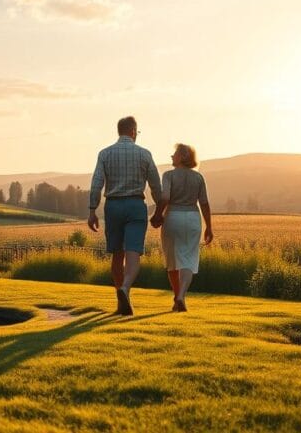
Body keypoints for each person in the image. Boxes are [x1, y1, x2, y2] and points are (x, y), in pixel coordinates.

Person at [87, 116, 162, 316]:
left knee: (117, 254)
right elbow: (156, 186)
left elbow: (96, 183)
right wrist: (159, 212)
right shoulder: (144, 154)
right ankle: (126, 288)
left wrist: (92, 210)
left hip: (113, 206)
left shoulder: (105, 154)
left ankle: (121, 301)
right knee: (133, 252)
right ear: (133, 131)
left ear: (118, 131)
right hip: (136, 205)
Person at [150, 143, 213, 312]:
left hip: (173, 217)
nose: (172, 156)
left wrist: (157, 215)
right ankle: (181, 296)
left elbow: (165, 197)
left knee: (172, 261)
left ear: (183, 157)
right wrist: (209, 227)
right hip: (193, 218)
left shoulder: (169, 175)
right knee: (188, 259)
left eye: (175, 154)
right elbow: (205, 204)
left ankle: (177, 295)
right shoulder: (198, 178)